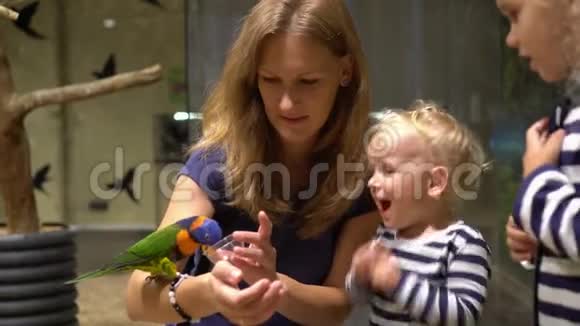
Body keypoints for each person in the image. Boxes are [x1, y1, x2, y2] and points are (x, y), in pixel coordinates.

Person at [126, 0, 379, 325]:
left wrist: (273, 286)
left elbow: (337, 306)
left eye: (308, 81)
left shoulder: (363, 173)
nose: (287, 102)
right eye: (271, 80)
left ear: (345, 71)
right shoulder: (216, 162)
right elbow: (138, 296)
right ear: (252, 77)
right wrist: (210, 292)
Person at [346, 102, 492, 325]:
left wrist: (397, 282)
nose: (373, 182)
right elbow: (358, 299)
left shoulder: (462, 244)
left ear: (434, 183)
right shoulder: (386, 237)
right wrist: (359, 276)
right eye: (373, 171)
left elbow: (464, 316)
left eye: (387, 170)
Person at [497, 0, 580, 324]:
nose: (510, 39)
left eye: (515, 15)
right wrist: (540, 237)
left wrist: (538, 184)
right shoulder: (569, 114)